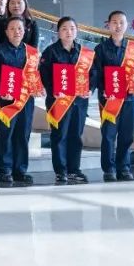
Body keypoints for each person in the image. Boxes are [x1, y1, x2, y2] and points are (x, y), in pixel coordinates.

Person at [91, 10, 134, 182]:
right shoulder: (100, 49)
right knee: (109, 135)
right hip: (109, 99)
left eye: (121, 22)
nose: (118, 26)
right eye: (114, 22)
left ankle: (123, 168)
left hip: (130, 99)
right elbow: (95, 73)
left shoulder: (133, 49)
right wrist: (102, 88)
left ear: (127, 25)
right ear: (108, 25)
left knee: (127, 135)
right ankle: (108, 169)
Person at [40, 16, 94, 184]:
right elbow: (44, 74)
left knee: (76, 136)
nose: (68, 32)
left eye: (72, 28)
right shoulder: (50, 52)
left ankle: (74, 170)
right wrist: (52, 90)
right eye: (64, 28)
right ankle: (60, 171)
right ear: (58, 32)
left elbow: (93, 74)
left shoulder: (84, 53)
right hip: (58, 101)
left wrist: (90, 89)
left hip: (79, 102)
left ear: (77, 31)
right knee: (59, 135)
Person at [0, 16, 42, 185]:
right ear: (6, 32)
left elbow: (35, 75)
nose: (16, 32)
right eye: (12, 28)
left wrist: (38, 88)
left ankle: (20, 170)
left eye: (19, 28)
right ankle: (5, 170)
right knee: (6, 136)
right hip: (7, 102)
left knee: (23, 135)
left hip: (26, 101)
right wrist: (1, 92)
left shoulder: (31, 52)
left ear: (24, 30)